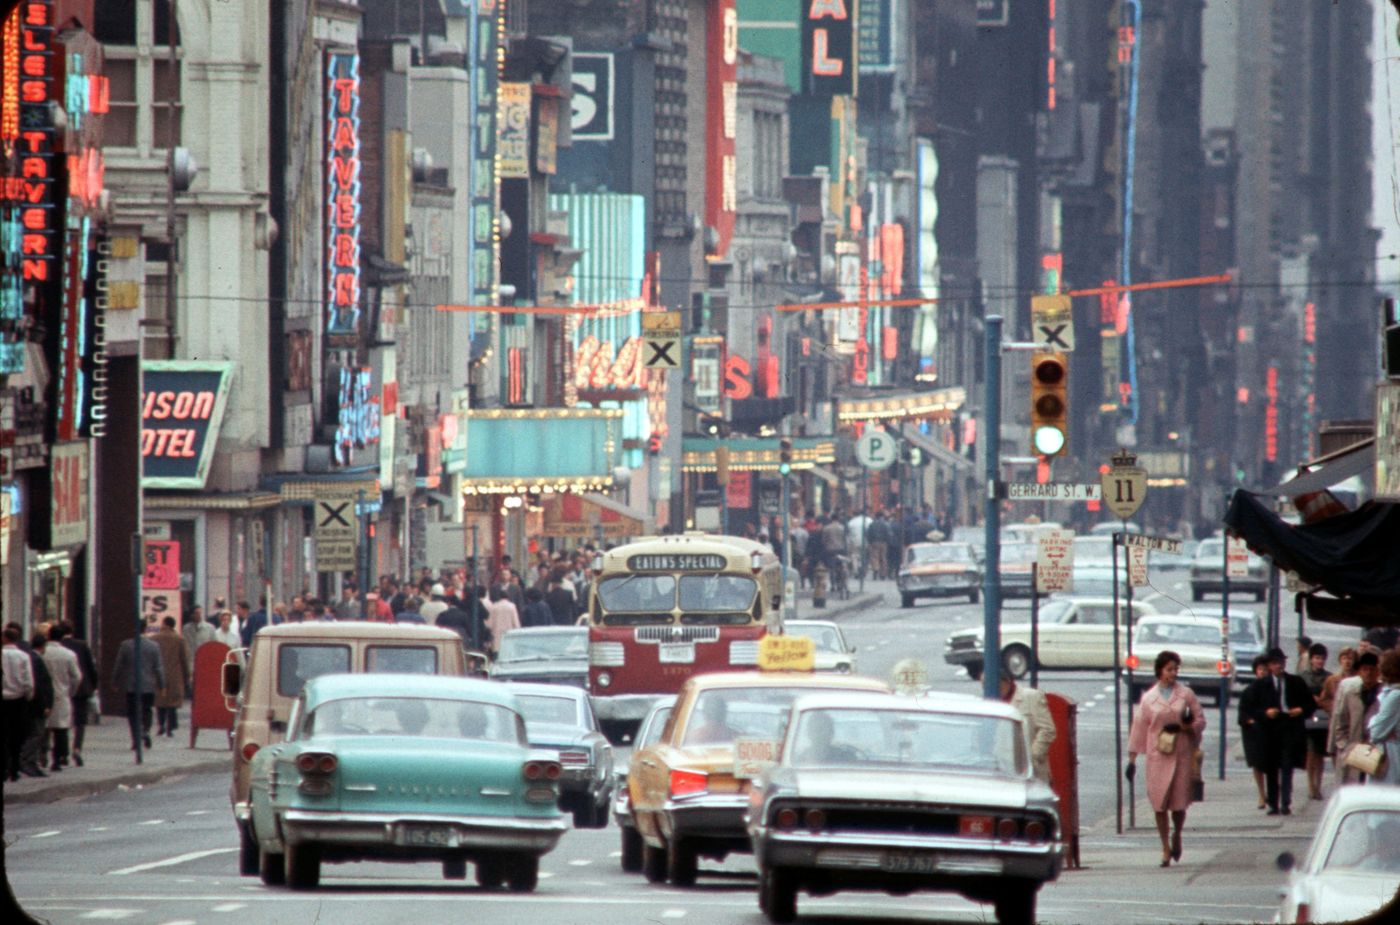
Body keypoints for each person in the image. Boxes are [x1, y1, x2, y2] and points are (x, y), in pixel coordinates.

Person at [1125, 650, 1207, 866]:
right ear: (1160, 671)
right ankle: (1164, 847)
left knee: (1179, 803)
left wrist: (1186, 727)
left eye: (1176, 669)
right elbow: (1139, 729)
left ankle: (1176, 834)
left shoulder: (1186, 694)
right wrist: (1132, 760)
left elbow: (1200, 720)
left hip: (1181, 753)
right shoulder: (1148, 699)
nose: (1173, 673)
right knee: (1159, 803)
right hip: (1158, 755)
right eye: (1169, 669)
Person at [1246, 647, 1314, 815]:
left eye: (1281, 662)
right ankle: (1273, 803)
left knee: (1287, 765)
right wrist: (1265, 713)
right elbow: (1251, 709)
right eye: (1275, 663)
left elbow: (1310, 704)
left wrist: (1300, 710)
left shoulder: (1295, 682)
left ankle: (1285, 802)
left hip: (1289, 726)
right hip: (1269, 729)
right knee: (1271, 767)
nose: (1279, 666)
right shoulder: (1260, 685)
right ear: (1270, 666)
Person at [1331, 650, 1383, 784]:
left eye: (1372, 669)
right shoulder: (1350, 692)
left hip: (1375, 751)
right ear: (1359, 672)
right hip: (1352, 749)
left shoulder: (1383, 695)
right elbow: (1340, 721)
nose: (1368, 673)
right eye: (1365, 669)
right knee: (1351, 786)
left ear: (1378, 671)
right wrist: (1344, 745)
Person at [113, 630, 165, 756]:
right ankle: (145, 730)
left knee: (132, 713)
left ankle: (135, 738)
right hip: (148, 685)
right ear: (145, 629)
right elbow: (158, 667)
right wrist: (162, 684)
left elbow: (119, 665)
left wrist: (115, 681)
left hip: (131, 685)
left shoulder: (126, 645)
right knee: (147, 709)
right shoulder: (154, 646)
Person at [55, 622, 98, 767]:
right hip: (81, 689)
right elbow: (90, 667)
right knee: (80, 721)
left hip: (61, 688)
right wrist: (93, 686)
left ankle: (62, 752)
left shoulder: (57, 646)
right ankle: (77, 748)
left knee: (61, 721)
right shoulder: (82, 645)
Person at [999, 676, 1057, 782]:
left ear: (1006, 680)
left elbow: (1047, 729)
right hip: (1003, 770)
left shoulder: (1031, 696)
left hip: (1030, 772)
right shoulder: (990, 700)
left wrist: (1033, 756)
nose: (986, 687)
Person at [39, 631, 81, 772]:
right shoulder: (68, 654)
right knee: (61, 728)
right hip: (61, 694)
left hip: (43, 695)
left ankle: (42, 754)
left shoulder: (42, 653)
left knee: (43, 727)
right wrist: (71, 691)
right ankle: (57, 759)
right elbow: (77, 677)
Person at [1237, 655, 1273, 808]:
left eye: (1265, 669)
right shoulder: (1249, 691)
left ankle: (1272, 793)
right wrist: (1250, 721)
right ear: (1255, 671)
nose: (1263, 672)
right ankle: (1261, 794)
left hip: (1271, 731)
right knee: (1257, 764)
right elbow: (1242, 713)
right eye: (1260, 669)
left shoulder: (1274, 690)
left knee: (1272, 764)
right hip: (1254, 732)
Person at [1298, 642, 1331, 800]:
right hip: (1308, 716)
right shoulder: (1303, 676)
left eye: (1322, 658)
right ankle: (1311, 785)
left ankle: (1318, 784)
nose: (1320, 661)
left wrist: (1323, 700)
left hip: (1324, 717)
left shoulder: (1329, 677)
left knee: (1320, 753)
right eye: (1317, 658)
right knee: (1311, 752)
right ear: (1311, 659)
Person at [3, 626, 35, 781]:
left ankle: (4, 767)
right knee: (17, 735)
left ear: (5, 639)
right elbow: (28, 680)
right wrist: (28, 696)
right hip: (18, 699)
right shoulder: (23, 656)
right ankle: (14, 768)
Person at [1365, 649, 1400, 785]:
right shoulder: (1389, 692)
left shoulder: (1395, 696)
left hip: (1391, 754)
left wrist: (1373, 720)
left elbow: (1376, 732)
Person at [154, 616, 189, 738]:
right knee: (172, 703)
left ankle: (161, 725)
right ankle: (171, 726)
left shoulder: (154, 638)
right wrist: (187, 675)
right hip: (175, 675)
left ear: (165, 624)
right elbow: (184, 659)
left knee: (160, 702)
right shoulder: (179, 639)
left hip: (159, 674)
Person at [796, 711, 862, 765]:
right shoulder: (799, 761)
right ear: (808, 733)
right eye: (816, 730)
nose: (820, 735)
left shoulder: (846, 758)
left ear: (831, 733)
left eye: (824, 729)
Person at [483, 586, 520, 657]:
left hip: (496, 635)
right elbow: (516, 623)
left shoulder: (494, 606)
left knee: (497, 654)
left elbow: (489, 624)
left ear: (499, 597)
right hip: (509, 635)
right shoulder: (512, 606)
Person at [182, 605, 216, 678]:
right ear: (192, 615)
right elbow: (184, 645)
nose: (199, 615)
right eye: (196, 613)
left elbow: (214, 645)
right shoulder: (186, 629)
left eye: (200, 613)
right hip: (191, 661)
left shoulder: (210, 628)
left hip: (205, 661)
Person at [866, 512, 892, 580]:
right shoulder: (886, 524)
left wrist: (870, 542)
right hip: (884, 543)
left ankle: (876, 569)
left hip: (874, 542)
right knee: (883, 558)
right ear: (882, 517)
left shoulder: (872, 524)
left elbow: (868, 534)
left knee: (875, 557)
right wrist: (888, 542)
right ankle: (883, 574)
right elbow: (888, 534)